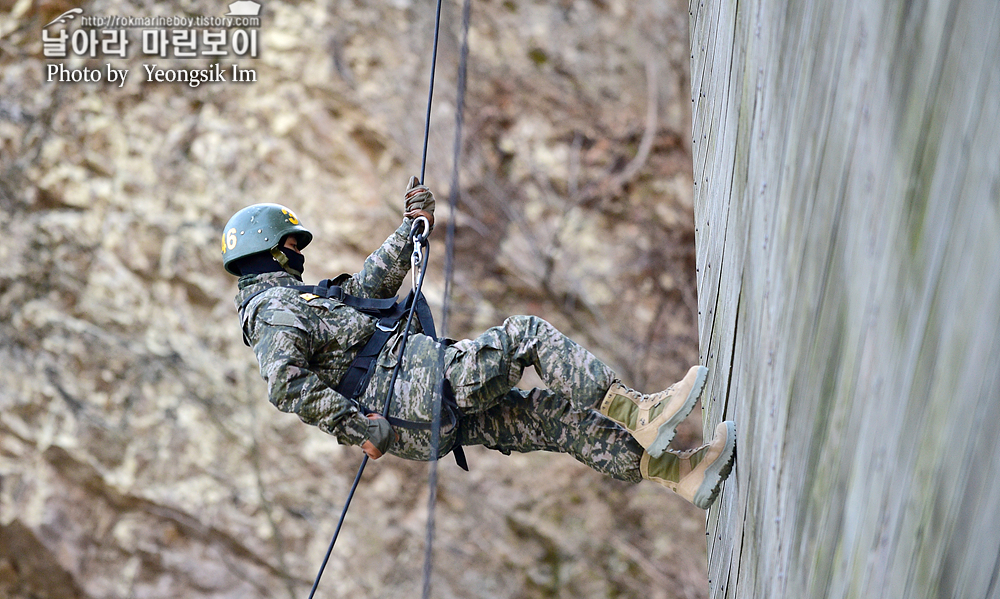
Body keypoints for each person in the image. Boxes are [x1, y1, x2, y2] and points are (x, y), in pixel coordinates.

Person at [222, 179, 736, 509]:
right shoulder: (270, 312)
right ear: (265, 249)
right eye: (291, 243)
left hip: (416, 415)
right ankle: (638, 412)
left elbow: (362, 292)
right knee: (526, 336)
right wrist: (357, 426)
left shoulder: (294, 302)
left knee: (549, 417)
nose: (298, 253)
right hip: (416, 391)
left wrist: (410, 229)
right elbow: (286, 385)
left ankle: (681, 473)